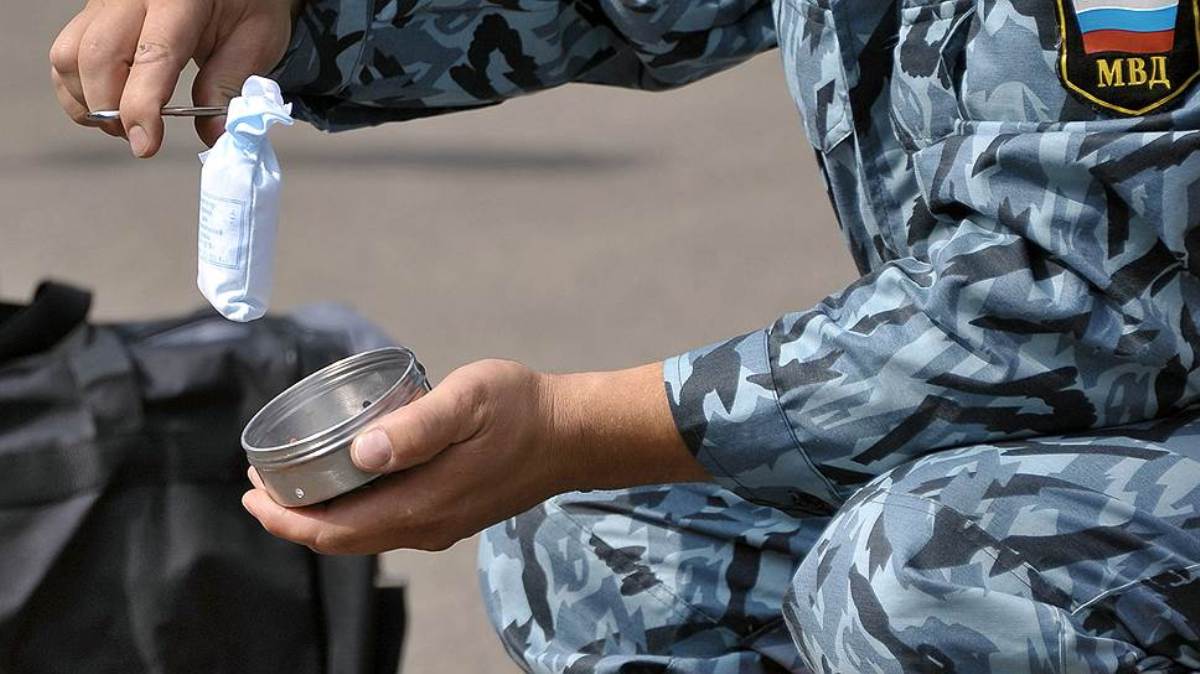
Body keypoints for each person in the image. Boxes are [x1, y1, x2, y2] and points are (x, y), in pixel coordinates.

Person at [51, 0, 1200, 671]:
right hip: (1099, 423)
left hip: (1117, 384)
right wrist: (303, 19)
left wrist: (581, 423)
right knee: (591, 547)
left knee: (931, 569)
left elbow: (1075, 302)